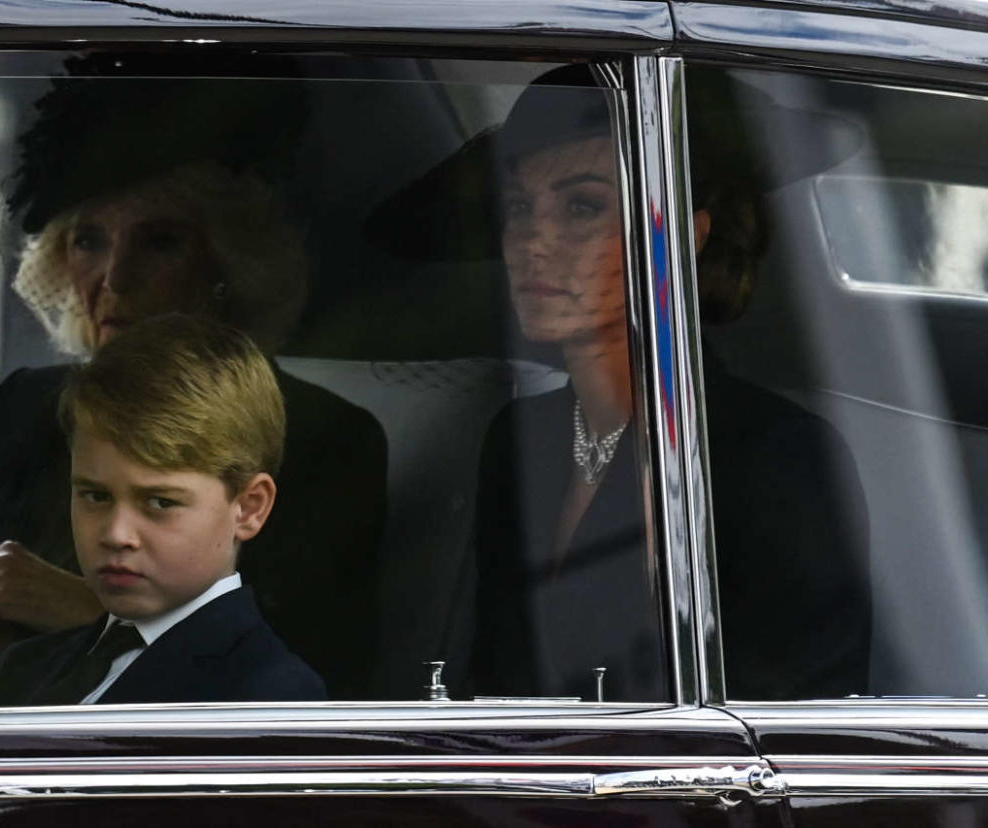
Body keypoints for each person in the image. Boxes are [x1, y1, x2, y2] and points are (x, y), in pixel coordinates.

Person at [371, 65, 870, 701]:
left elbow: (794, 733)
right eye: (519, 208)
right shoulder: (521, 439)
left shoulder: (780, 460)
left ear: (685, 238)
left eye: (582, 206)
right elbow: (493, 686)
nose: (533, 242)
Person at [0, 55, 387, 699]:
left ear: (230, 263)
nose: (115, 280)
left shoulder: (321, 439)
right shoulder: (25, 406)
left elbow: (303, 679)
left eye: (159, 242)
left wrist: (91, 612)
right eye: (88, 240)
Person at [0, 314, 327, 706]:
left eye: (161, 503)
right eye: (95, 496)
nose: (116, 534)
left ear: (248, 508)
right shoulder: (18, 667)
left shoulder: (268, 695)